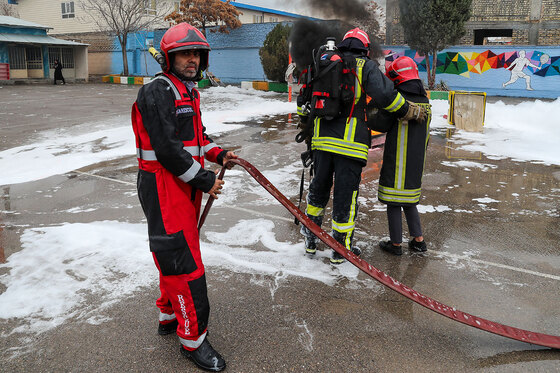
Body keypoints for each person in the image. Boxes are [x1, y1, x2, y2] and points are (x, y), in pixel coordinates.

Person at [131, 22, 237, 372]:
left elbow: (195, 137)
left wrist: (219, 154)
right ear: (168, 58)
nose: (192, 60)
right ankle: (192, 340)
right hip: (165, 187)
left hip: (182, 185)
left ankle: (167, 315)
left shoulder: (187, 90)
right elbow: (168, 150)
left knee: (172, 254)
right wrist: (206, 180)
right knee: (183, 263)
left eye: (196, 54)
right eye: (184, 54)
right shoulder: (158, 91)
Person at [298, 28, 427, 264]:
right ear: (364, 49)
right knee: (345, 197)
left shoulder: (325, 62)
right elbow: (386, 96)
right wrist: (408, 109)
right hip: (349, 146)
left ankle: (310, 241)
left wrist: (308, 129)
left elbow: (303, 101)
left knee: (318, 190)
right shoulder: (364, 66)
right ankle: (341, 250)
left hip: (321, 141)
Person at [372, 56, 432, 256]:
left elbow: (380, 124)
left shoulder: (399, 100)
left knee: (394, 201)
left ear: (397, 78)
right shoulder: (425, 101)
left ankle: (396, 244)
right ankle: (418, 240)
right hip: (416, 161)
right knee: (409, 200)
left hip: (398, 160)